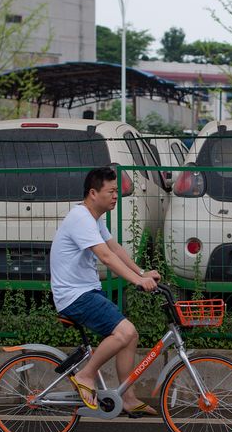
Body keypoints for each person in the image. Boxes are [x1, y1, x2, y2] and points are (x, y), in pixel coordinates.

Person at [50, 166, 160, 415]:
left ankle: (128, 398)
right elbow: (106, 257)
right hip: (74, 296)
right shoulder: (80, 218)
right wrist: (137, 281)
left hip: (85, 292)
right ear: (92, 193)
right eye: (111, 191)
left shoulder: (94, 218)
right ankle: (86, 376)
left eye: (116, 192)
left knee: (130, 336)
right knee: (125, 331)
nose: (115, 196)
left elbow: (116, 249)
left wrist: (141, 272)